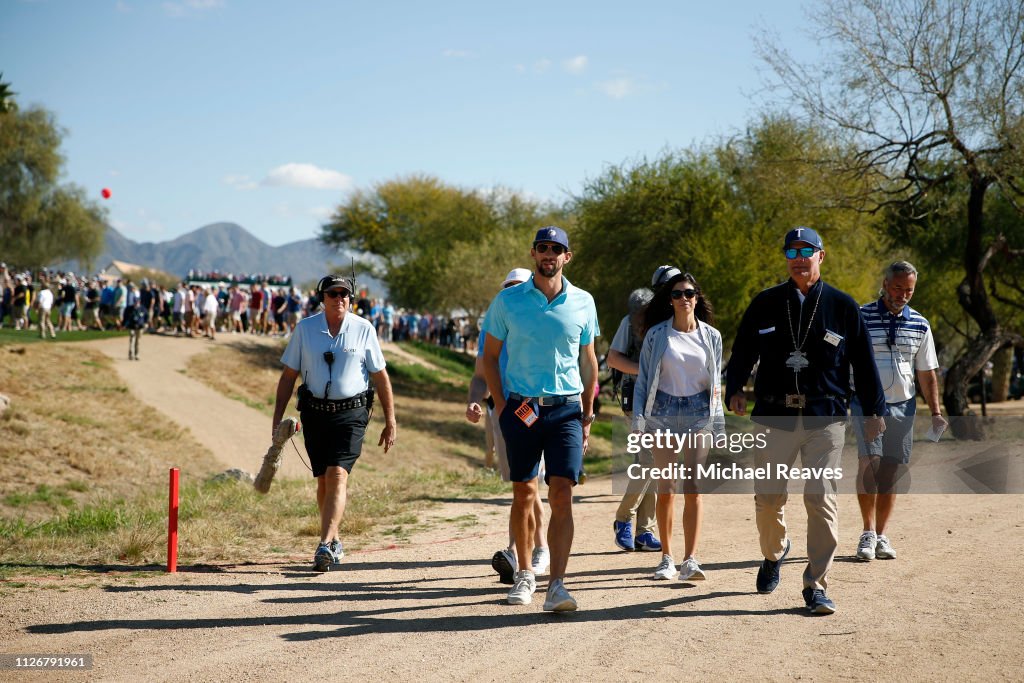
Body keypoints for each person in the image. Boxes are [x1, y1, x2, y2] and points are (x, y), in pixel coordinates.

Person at [725, 226, 886, 615]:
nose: (799, 257)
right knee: (768, 502)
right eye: (792, 251)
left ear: (821, 255)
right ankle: (774, 552)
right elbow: (744, 348)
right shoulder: (765, 303)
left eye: (807, 250)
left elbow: (863, 361)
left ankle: (816, 586)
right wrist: (734, 388)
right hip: (773, 417)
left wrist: (874, 409)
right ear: (786, 258)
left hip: (825, 418)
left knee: (821, 500)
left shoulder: (842, 306)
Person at [482, 226, 599, 612]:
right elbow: (489, 357)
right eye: (543, 248)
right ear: (533, 253)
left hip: (566, 408)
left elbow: (588, 360)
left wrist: (587, 411)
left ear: (568, 256)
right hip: (521, 408)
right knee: (524, 493)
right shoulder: (508, 301)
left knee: (562, 492)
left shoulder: (583, 301)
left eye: (557, 249)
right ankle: (525, 575)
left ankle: (557, 586)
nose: (550, 254)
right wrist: (500, 406)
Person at [272, 274, 397, 572]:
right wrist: (277, 419)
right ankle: (335, 538)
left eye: (344, 294)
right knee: (323, 480)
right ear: (322, 298)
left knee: (338, 473)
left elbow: (380, 376)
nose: (339, 298)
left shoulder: (364, 329)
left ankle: (324, 544)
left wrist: (390, 419)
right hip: (315, 413)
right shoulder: (305, 329)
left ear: (351, 299)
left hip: (351, 413)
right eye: (332, 293)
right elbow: (289, 376)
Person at [851, 261, 947, 561]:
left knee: (891, 469)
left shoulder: (920, 323)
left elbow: (927, 372)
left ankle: (881, 535)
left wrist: (935, 411)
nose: (902, 295)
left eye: (909, 290)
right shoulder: (861, 317)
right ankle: (866, 533)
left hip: (903, 405)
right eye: (897, 288)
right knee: (870, 463)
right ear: (885, 284)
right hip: (866, 404)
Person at [632, 270, 724, 582]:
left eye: (688, 293)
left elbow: (716, 385)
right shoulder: (657, 335)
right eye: (676, 294)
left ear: (697, 299)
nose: (683, 299)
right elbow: (643, 380)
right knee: (667, 488)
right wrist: (638, 419)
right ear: (669, 300)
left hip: (700, 411)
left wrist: (718, 424)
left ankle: (691, 559)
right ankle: (666, 558)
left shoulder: (712, 337)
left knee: (694, 486)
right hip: (662, 412)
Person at [466, 267, 550, 584]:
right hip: (503, 413)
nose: (512, 294)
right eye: (507, 288)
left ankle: (526, 550)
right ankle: (529, 549)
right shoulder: (492, 330)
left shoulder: (541, 326)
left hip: (539, 412)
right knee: (522, 484)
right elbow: (479, 377)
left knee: (529, 485)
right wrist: (475, 401)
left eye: (519, 287)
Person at [608, 271, 677, 552]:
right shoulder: (634, 317)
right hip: (636, 397)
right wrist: (646, 372)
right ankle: (623, 519)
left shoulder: (683, 321)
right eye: (667, 289)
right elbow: (614, 358)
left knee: (656, 465)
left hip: (671, 400)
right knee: (648, 459)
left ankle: (644, 532)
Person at [124, 282, 144, 360]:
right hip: (132, 326)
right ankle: (131, 354)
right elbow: (126, 317)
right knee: (132, 339)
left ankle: (136, 354)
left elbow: (146, 316)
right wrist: (125, 324)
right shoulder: (130, 309)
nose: (136, 303)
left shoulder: (142, 308)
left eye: (137, 301)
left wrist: (145, 323)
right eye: (135, 301)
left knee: (137, 341)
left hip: (139, 326)